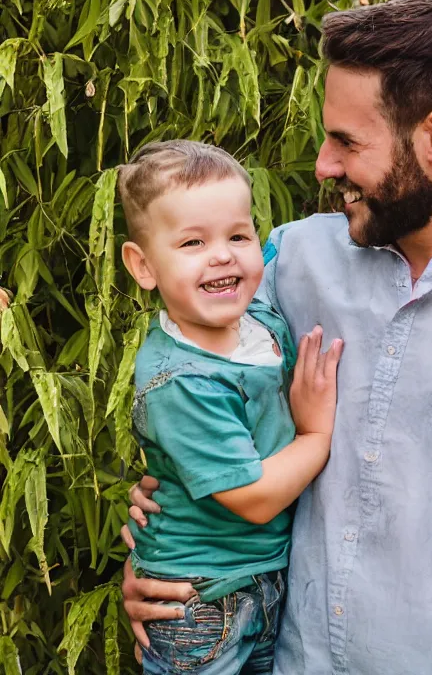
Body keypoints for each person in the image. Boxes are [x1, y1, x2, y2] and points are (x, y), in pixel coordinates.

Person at [122, 0, 432, 674]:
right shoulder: (287, 260)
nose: (324, 166)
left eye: (347, 142)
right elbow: (194, 397)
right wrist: (165, 551)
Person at [117, 139, 342, 674]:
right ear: (143, 265)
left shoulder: (258, 321)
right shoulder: (179, 380)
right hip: (199, 596)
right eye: (192, 241)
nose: (222, 254)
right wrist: (315, 435)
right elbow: (256, 500)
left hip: (262, 580)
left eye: (237, 235)